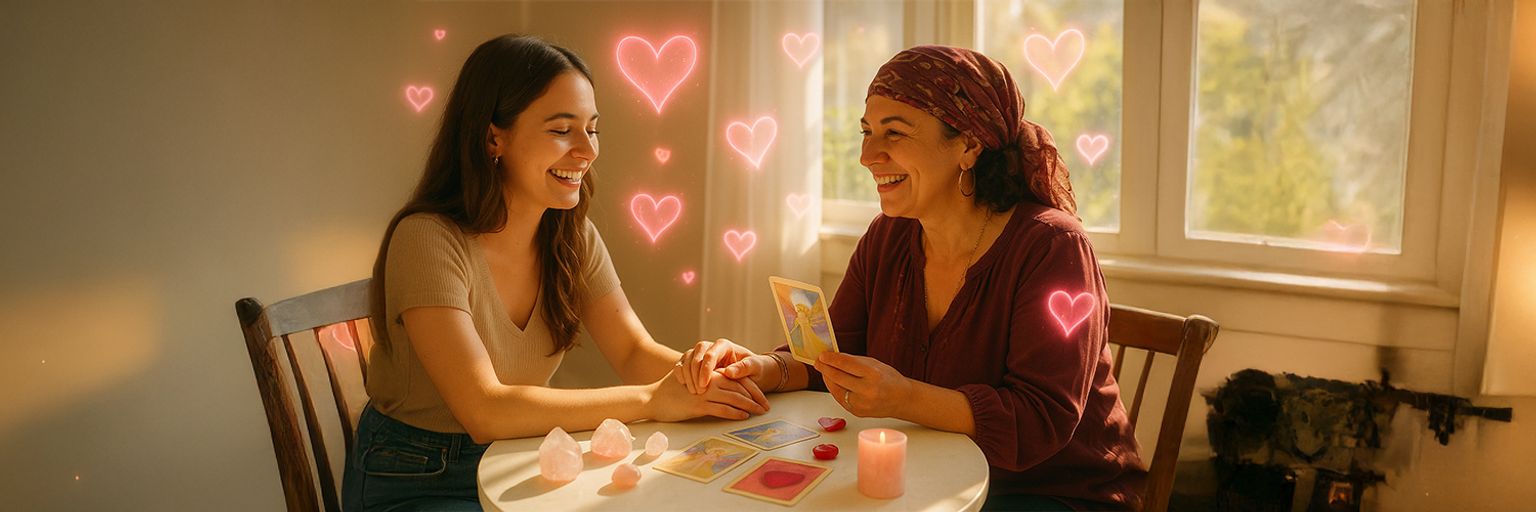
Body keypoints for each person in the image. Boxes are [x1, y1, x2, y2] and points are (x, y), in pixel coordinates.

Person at [678, 45, 1146, 511]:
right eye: (866, 131)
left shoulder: (1053, 248)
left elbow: (1039, 420)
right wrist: (761, 368)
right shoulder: (890, 236)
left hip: (1053, 494)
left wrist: (902, 397)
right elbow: (836, 354)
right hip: (926, 476)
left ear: (968, 146)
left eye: (894, 133)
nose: (867, 155)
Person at [341, 34, 768, 512]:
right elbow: (485, 409)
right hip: (416, 476)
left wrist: (704, 376)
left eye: (593, 128)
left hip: (521, 456)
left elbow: (631, 349)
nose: (587, 151)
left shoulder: (570, 235)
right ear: (492, 138)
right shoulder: (426, 239)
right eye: (562, 130)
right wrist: (653, 400)